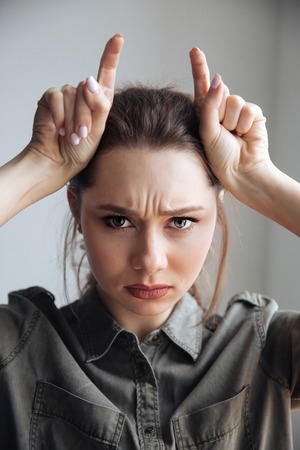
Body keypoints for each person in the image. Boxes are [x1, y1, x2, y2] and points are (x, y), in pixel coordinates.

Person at [0, 33, 299, 450]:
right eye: (119, 220)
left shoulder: (268, 348)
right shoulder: (16, 347)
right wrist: (38, 165)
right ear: (76, 209)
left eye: (180, 221)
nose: (150, 260)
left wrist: (261, 180)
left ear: (216, 211)